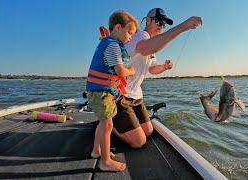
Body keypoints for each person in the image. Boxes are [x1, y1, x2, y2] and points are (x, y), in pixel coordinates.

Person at [112, 8, 203, 148]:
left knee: (148, 132)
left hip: (136, 96)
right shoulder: (140, 35)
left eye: (164, 24)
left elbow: (152, 69)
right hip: (120, 96)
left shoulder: (151, 43)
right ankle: (109, 125)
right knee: (139, 142)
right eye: (159, 22)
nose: (161, 26)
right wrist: (182, 27)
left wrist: (164, 67)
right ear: (148, 20)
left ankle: (122, 125)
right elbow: (145, 49)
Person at [86, 10, 138, 171]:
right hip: (102, 93)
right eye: (129, 32)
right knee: (107, 124)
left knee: (104, 123)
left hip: (99, 92)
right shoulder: (113, 46)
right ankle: (105, 161)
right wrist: (132, 71)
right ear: (117, 28)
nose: (130, 37)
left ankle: (97, 151)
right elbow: (120, 70)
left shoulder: (108, 43)